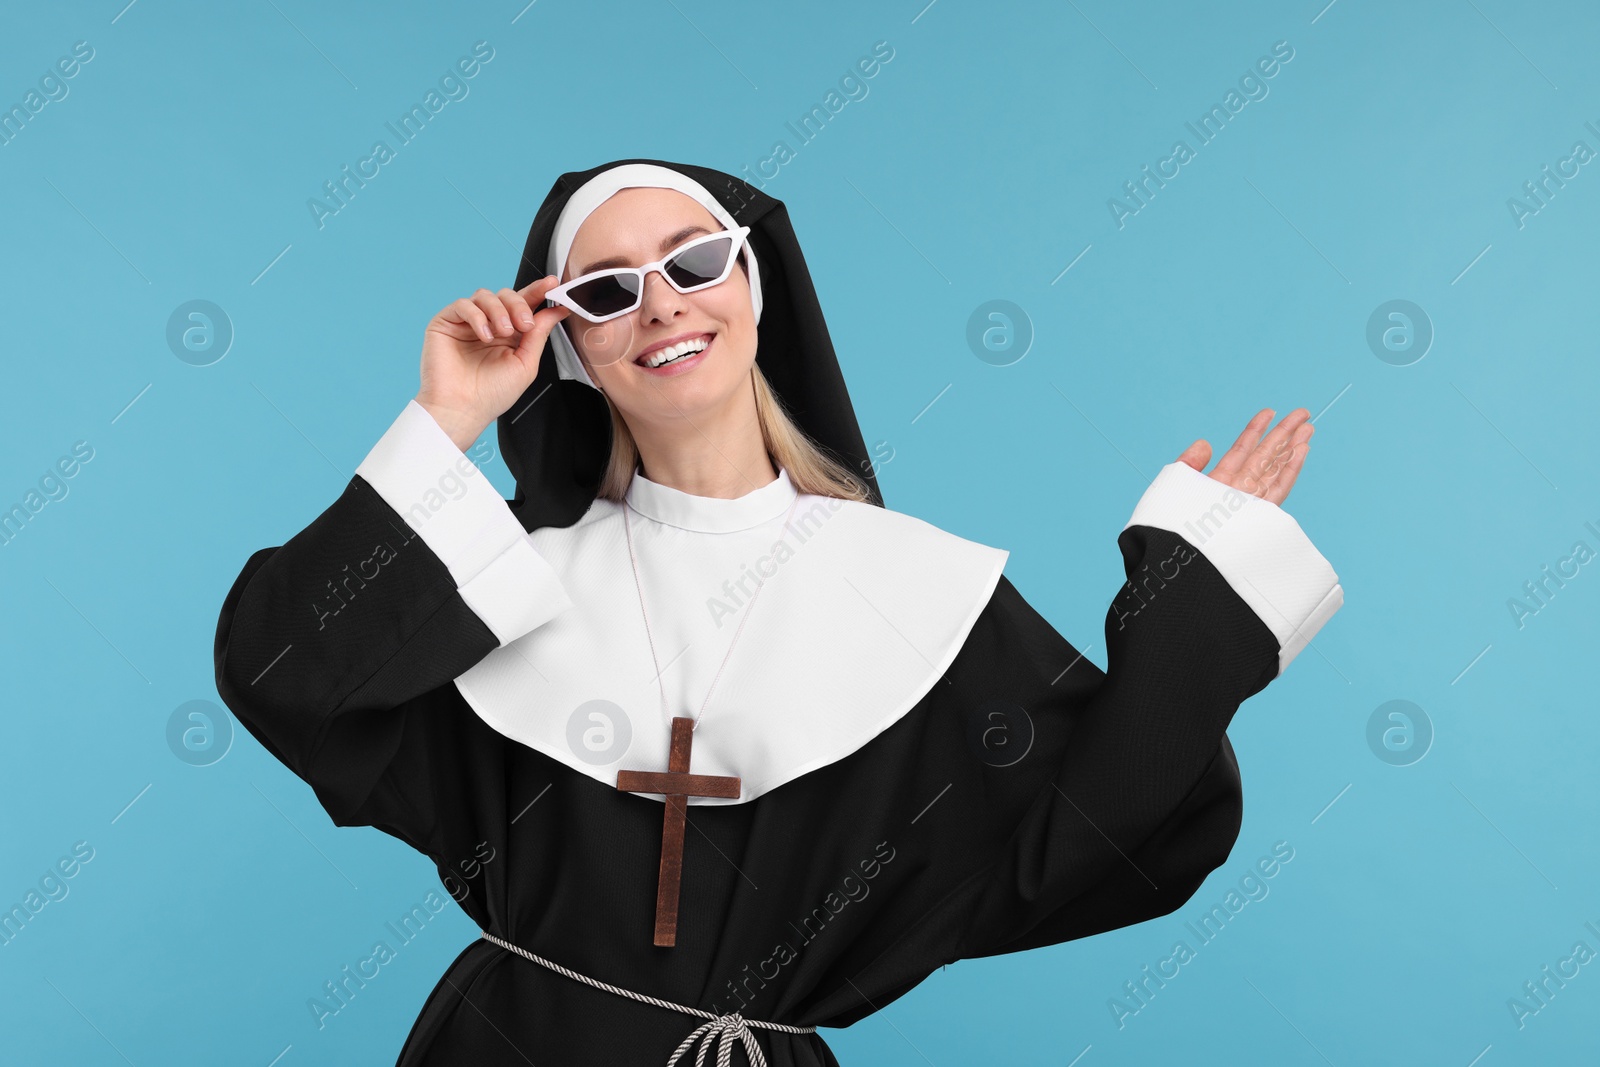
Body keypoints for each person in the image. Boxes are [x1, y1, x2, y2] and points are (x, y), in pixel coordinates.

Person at [212, 158, 1343, 1066]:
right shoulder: (505, 576)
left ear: (753, 286)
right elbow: (280, 674)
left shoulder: (914, 586)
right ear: (572, 345)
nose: (659, 305)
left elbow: (1104, 828)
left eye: (692, 262)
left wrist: (1189, 598)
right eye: (604, 290)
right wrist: (444, 415)